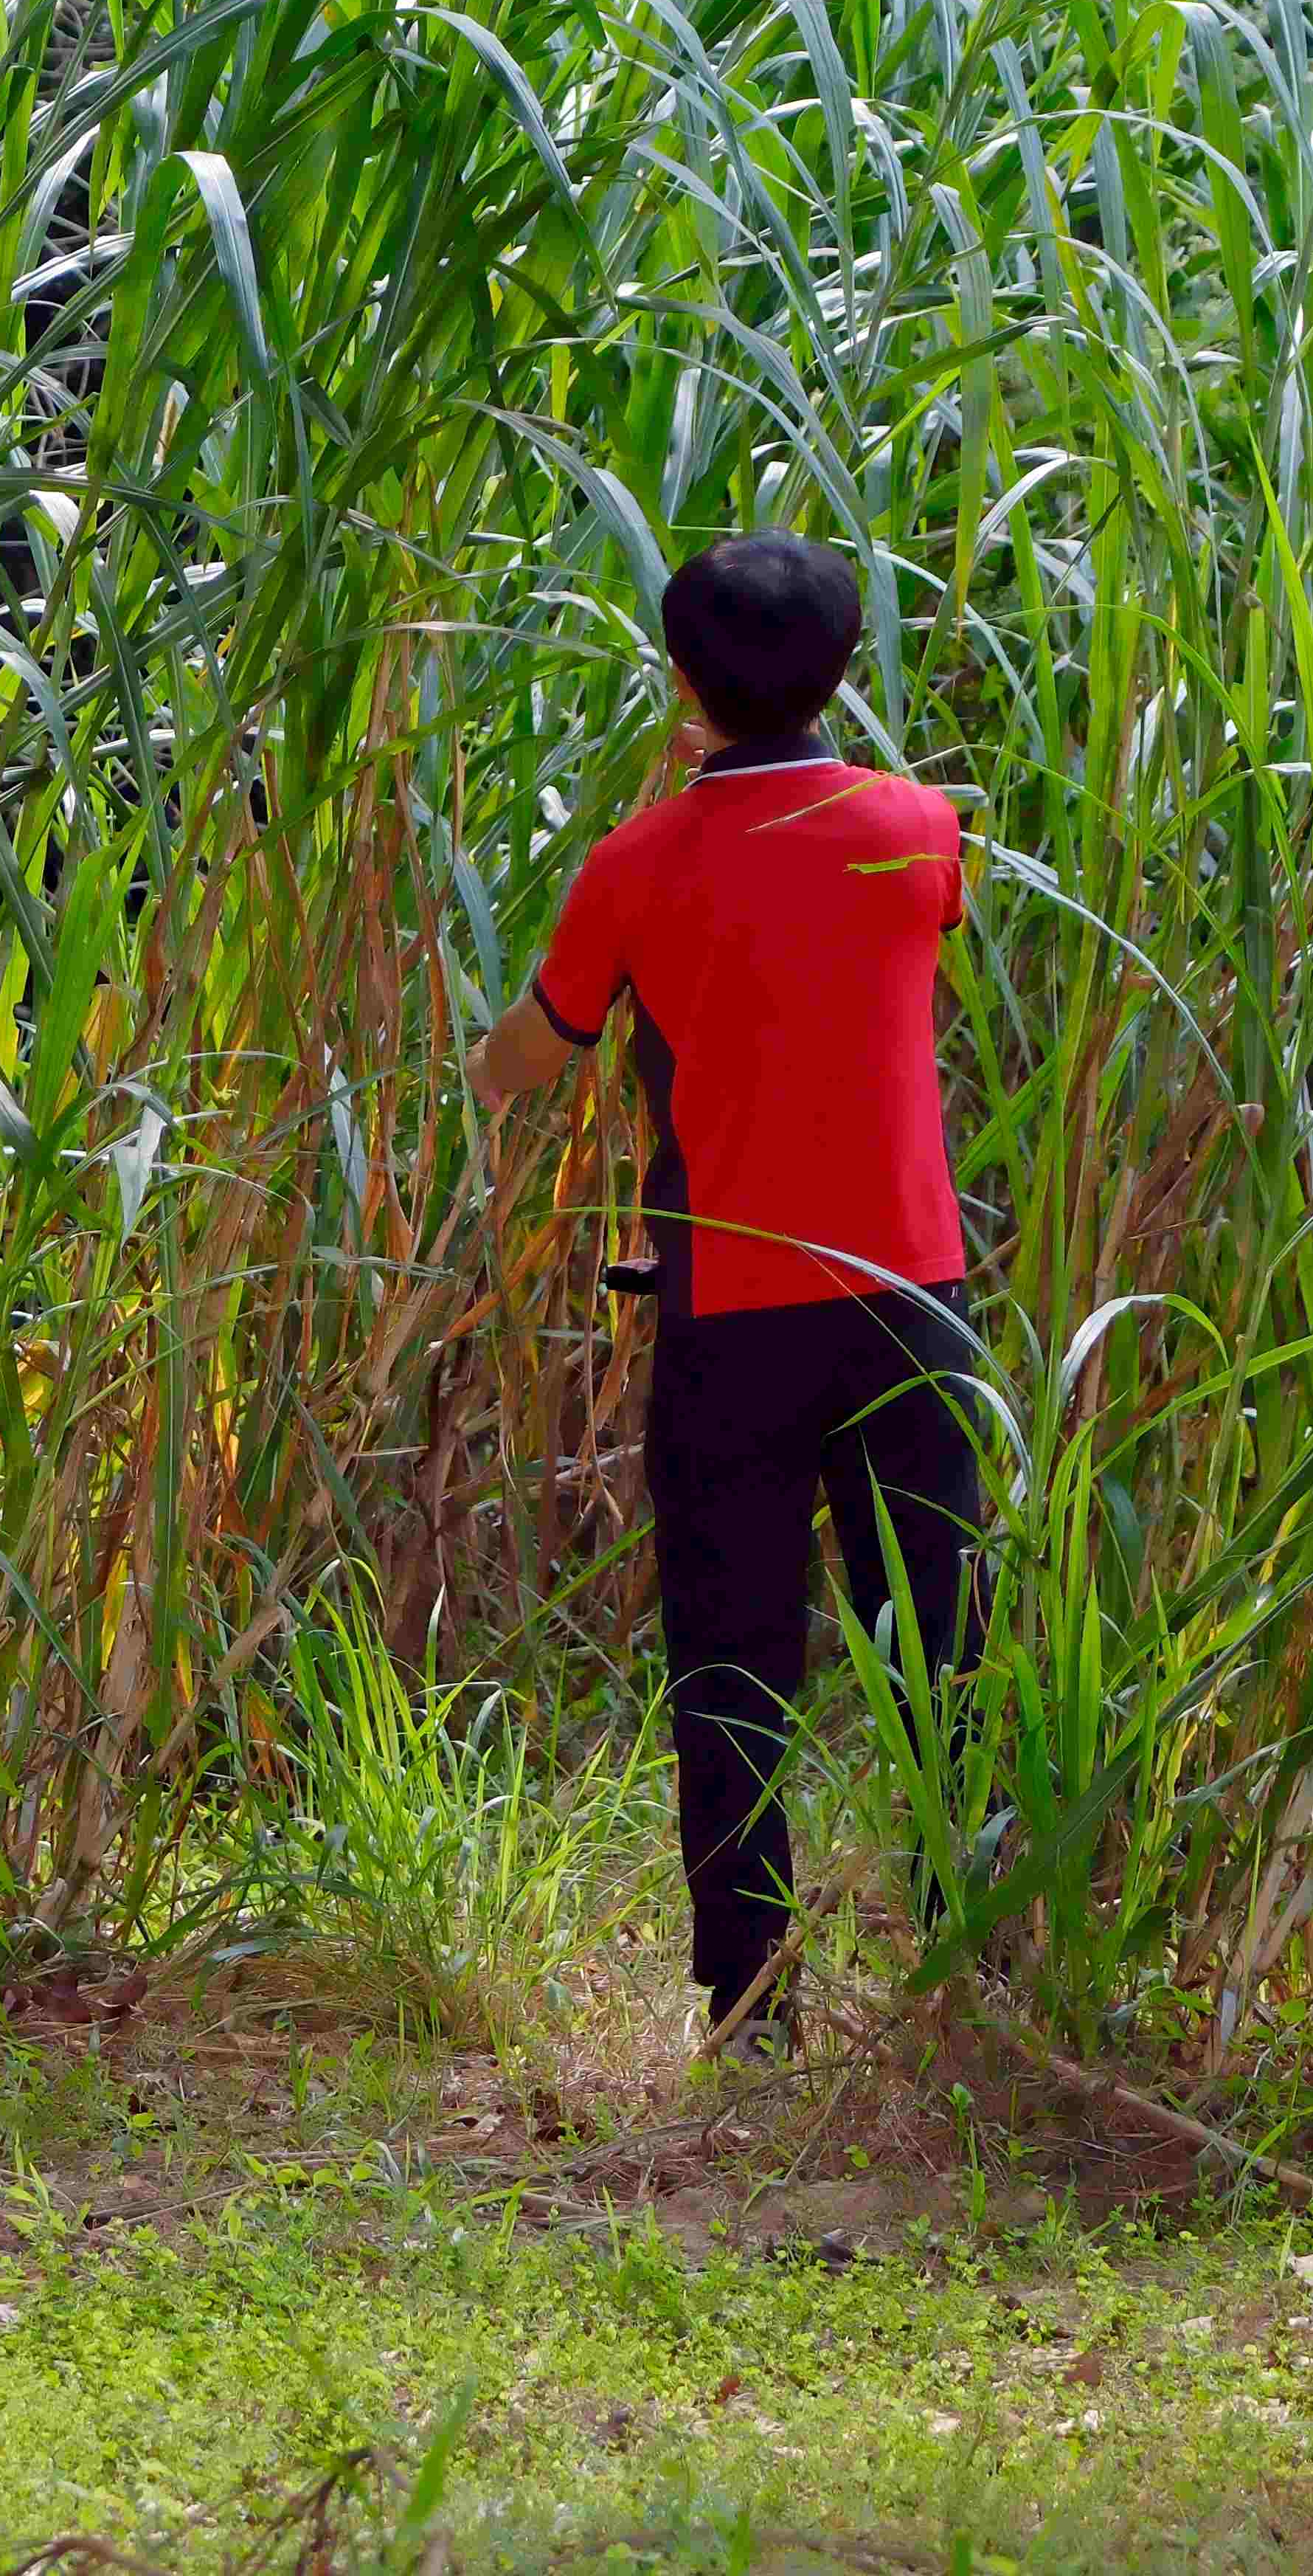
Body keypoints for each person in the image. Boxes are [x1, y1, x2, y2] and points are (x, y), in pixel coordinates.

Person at [472, 530, 988, 2060]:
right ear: (843, 667)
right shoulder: (920, 830)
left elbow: (540, 1049)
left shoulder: (637, 863)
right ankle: (976, 1963)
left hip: (732, 1309)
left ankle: (754, 2005)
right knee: (941, 1637)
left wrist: (478, 1063)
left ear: (683, 683)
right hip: (909, 1297)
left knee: (733, 1656)